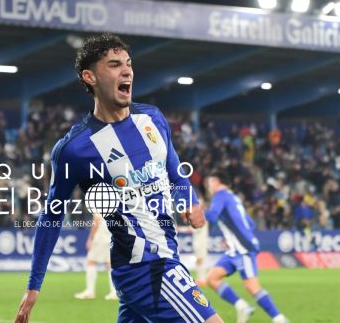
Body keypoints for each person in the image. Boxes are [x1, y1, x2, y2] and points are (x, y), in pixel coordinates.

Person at [15, 33, 223, 323]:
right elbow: (52, 215)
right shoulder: (74, 148)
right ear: (90, 77)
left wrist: (188, 199)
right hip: (148, 269)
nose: (126, 71)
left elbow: (174, 170)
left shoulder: (152, 119)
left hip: (156, 262)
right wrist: (34, 285)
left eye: (128, 63)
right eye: (114, 65)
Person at [204, 171, 287, 323]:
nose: (209, 186)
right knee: (212, 278)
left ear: (216, 182)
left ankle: (279, 319)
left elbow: (212, 216)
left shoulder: (220, 195)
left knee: (251, 286)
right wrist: (230, 238)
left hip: (243, 249)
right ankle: (242, 307)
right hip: (234, 250)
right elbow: (250, 223)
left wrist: (195, 210)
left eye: (210, 182)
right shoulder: (233, 197)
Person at [74, 214, 118, 300]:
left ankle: (90, 291)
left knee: (91, 262)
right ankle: (114, 291)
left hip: (101, 236)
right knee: (110, 264)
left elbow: (96, 220)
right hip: (111, 235)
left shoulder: (98, 202)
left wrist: (90, 238)